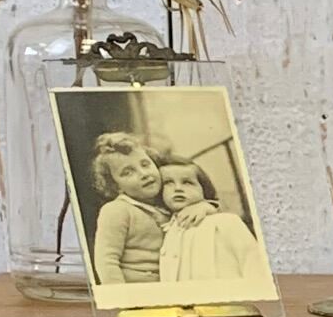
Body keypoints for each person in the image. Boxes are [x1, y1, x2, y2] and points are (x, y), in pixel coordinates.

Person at [151, 158, 274, 305]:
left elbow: (253, 261)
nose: (178, 188)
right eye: (168, 183)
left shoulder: (225, 221)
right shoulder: (166, 230)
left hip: (230, 304)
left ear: (204, 189)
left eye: (187, 182)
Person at [84, 131, 167, 296]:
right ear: (116, 186)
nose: (144, 174)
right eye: (128, 172)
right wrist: (123, 300)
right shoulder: (117, 210)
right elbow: (106, 262)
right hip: (139, 295)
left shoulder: (165, 202)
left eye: (145, 164)